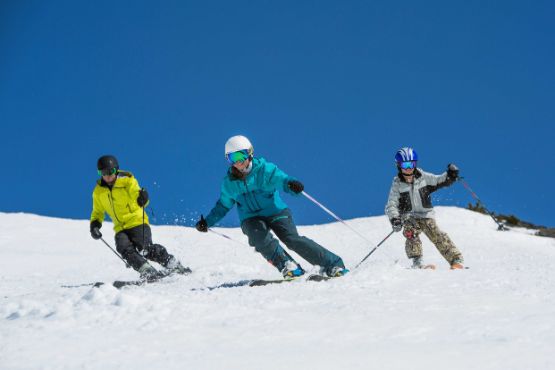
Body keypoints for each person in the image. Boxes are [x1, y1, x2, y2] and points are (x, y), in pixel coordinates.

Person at [195, 135, 348, 278]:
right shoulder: (229, 183)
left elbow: (283, 180)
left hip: (276, 211)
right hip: (250, 218)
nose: (237, 161)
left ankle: (333, 264)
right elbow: (223, 206)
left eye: (240, 155)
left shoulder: (265, 170)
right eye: (231, 158)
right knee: (258, 237)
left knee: (291, 239)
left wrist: (292, 184)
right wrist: (208, 222)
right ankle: (288, 265)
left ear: (249, 153)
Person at [90, 155, 190, 280]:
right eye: (103, 172)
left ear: (116, 170)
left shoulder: (127, 181)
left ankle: (171, 263)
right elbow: (97, 212)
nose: (108, 175)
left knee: (145, 249)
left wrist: (143, 198)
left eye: (111, 171)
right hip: (120, 228)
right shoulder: (98, 192)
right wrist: (94, 225)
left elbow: (137, 195)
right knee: (123, 248)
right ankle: (146, 270)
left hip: (137, 222)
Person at [385, 147, 465, 269]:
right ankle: (418, 263)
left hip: (426, 214)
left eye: (411, 164)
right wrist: (395, 218)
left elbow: (438, 180)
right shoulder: (397, 184)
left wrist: (449, 175)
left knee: (436, 234)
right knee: (410, 232)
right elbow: (391, 204)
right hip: (409, 216)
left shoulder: (423, 177)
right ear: (399, 165)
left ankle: (456, 259)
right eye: (405, 165)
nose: (408, 168)